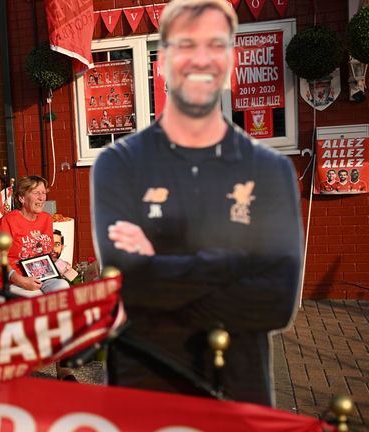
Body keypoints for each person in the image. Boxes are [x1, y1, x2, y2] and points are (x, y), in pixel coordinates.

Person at [91, 0, 302, 406]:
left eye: (215, 45)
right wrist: (232, 263)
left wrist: (160, 276)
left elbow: (277, 301)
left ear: (230, 61)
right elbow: (127, 285)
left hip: (237, 387)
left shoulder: (269, 171)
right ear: (164, 62)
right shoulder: (118, 165)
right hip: (144, 382)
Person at [0, 176, 69, 297]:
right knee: (35, 298)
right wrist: (21, 280)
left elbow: (43, 253)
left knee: (63, 287)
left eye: (43, 193)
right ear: (22, 198)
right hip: (12, 282)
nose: (42, 197)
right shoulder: (8, 222)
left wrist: (61, 265)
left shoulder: (46, 218)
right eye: (36, 193)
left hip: (42, 278)